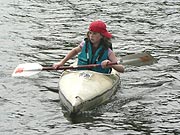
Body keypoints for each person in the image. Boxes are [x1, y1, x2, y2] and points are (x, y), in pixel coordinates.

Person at [53, 20, 124, 73]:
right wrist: (62, 62)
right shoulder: (85, 44)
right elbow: (75, 51)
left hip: (99, 76)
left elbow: (122, 69)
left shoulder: (108, 51)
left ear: (102, 36)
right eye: (90, 33)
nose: (91, 36)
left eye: (95, 33)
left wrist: (110, 64)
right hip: (82, 73)